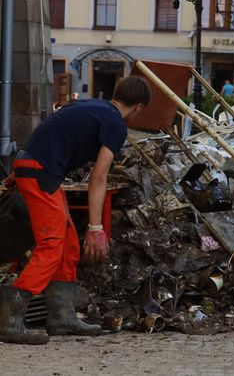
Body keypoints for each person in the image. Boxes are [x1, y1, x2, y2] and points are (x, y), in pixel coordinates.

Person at [0, 76, 151, 345]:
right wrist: (95, 228)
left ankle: (61, 316)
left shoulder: (91, 107)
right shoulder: (115, 123)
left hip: (32, 167)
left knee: (68, 243)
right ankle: (10, 318)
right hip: (41, 172)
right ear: (139, 107)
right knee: (52, 243)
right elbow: (99, 177)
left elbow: (48, 133)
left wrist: (19, 170)